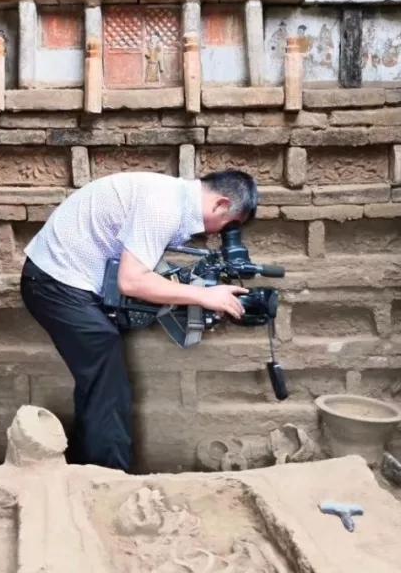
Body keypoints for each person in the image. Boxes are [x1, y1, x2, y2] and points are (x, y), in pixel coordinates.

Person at [21, 170, 259, 472]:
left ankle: (85, 470)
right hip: (54, 282)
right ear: (221, 204)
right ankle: (108, 478)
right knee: (106, 375)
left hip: (63, 281)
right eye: (229, 226)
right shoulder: (165, 206)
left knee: (100, 380)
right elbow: (132, 282)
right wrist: (205, 296)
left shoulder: (169, 197)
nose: (217, 235)